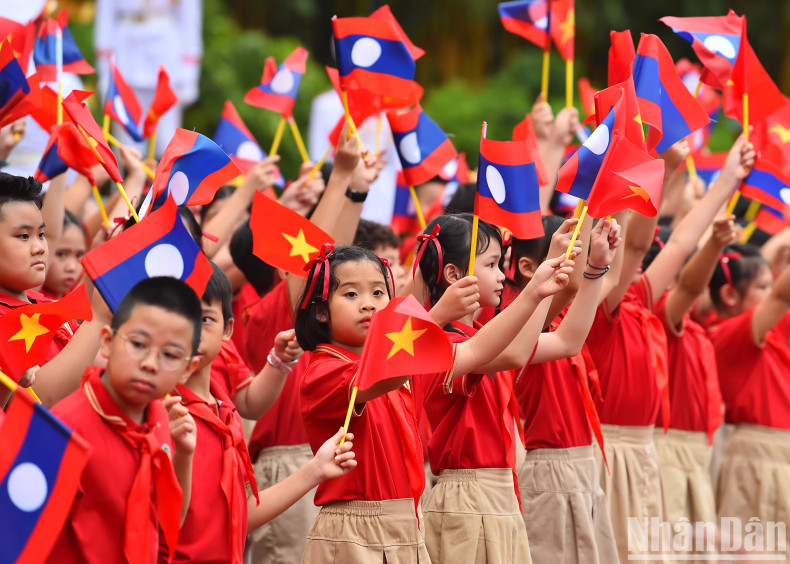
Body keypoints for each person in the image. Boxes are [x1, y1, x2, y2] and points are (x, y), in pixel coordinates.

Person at [295, 243, 575, 563]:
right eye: (350, 294)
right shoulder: (323, 371)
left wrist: (534, 293)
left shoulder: (407, 361)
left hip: (407, 528)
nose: (368, 304)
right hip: (352, 533)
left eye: (378, 292)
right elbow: (381, 375)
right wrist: (437, 315)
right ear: (321, 310)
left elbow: (475, 350)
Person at [414, 213, 619, 564]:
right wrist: (538, 288)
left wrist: (596, 268)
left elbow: (567, 341)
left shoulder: (481, 337)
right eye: (492, 264)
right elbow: (515, 352)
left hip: (499, 493)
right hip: (467, 498)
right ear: (452, 274)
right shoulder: (441, 344)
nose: (501, 275)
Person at [166, 264, 355, 563]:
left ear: (227, 329)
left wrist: (316, 469)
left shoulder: (225, 411)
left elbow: (238, 516)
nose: (192, 332)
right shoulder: (161, 413)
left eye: (204, 318)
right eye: (177, 317)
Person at [49, 277, 201, 563]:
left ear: (187, 370)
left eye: (170, 355)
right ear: (107, 342)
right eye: (138, 344)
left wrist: (184, 456)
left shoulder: (160, 418)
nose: (150, 363)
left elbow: (165, 522)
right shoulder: (64, 428)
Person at [707, 243, 790, 557]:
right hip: (759, 455)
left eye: (770, 286)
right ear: (729, 295)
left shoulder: (767, 333)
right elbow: (782, 297)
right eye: (762, 287)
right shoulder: (728, 333)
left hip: (777, 454)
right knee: (756, 552)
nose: (770, 294)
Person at [0, 173, 109, 408]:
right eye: (23, 236)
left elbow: (100, 363)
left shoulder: (41, 301)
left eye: (41, 235)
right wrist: (100, 318)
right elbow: (40, 401)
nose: (40, 247)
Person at [41, 210, 88, 299]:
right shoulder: (30, 298)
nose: (72, 268)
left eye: (79, 255)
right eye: (61, 254)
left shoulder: (76, 289)